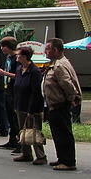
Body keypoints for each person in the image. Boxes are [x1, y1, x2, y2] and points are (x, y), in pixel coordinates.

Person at [43, 38, 82, 171]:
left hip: (60, 104)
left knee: (63, 133)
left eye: (47, 49)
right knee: (58, 133)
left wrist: (71, 98)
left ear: (55, 50)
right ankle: (62, 158)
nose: (45, 52)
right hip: (55, 104)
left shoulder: (59, 65)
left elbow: (68, 85)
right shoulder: (57, 63)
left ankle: (68, 161)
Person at [12, 46, 47, 166]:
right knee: (23, 130)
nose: (17, 56)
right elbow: (17, 87)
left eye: (19, 55)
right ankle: (26, 153)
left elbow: (36, 92)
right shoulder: (19, 69)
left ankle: (41, 155)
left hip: (32, 106)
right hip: (19, 104)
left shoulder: (34, 71)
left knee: (34, 130)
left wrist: (31, 110)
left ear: (25, 56)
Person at [0, 37, 21, 152]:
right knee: (10, 117)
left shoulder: (17, 59)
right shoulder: (8, 57)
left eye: (4, 46)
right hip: (7, 89)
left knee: (15, 118)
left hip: (14, 91)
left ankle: (18, 141)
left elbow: (18, 75)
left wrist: (3, 73)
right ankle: (12, 140)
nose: (2, 49)